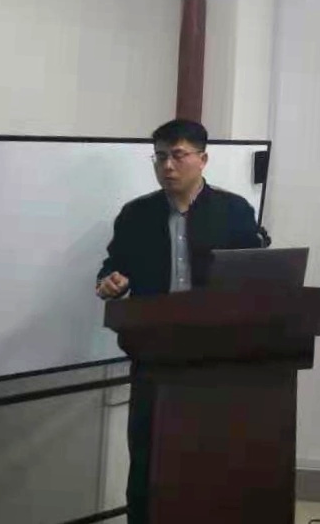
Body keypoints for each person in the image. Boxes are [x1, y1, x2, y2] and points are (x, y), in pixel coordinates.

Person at [95, 118, 266, 524]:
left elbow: (256, 273)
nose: (167, 166)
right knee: (148, 457)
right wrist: (110, 281)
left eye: (178, 155)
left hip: (217, 356)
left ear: (202, 160)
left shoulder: (234, 212)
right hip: (154, 354)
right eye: (160, 157)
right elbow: (113, 267)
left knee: (212, 457)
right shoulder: (136, 215)